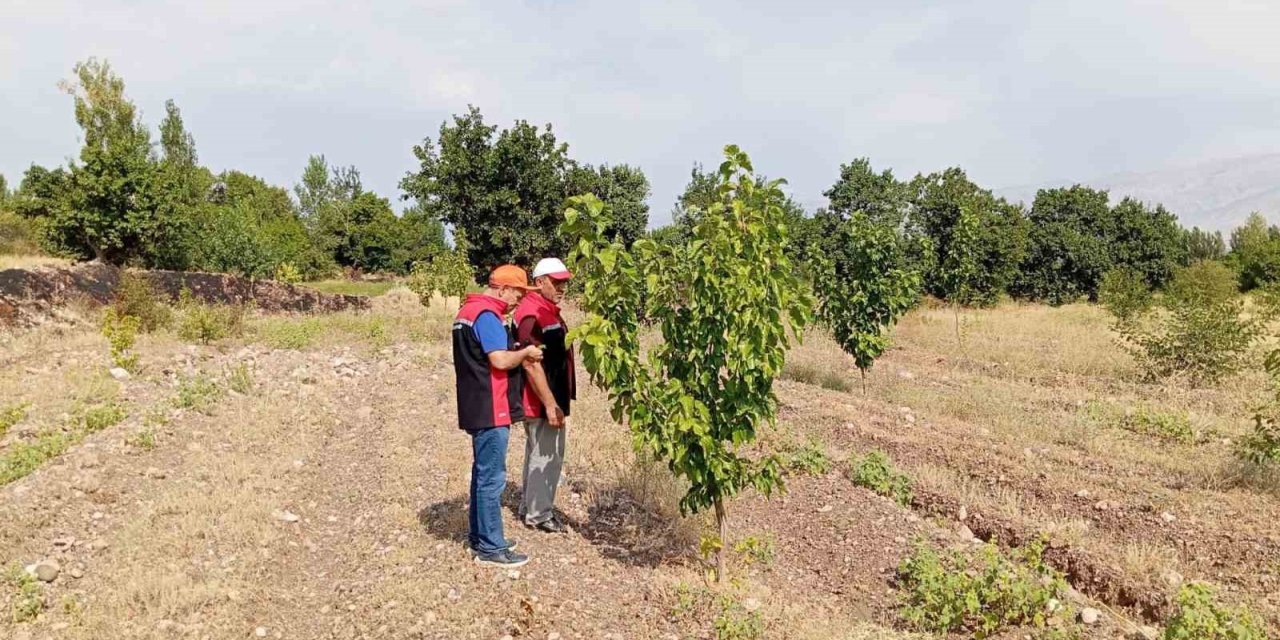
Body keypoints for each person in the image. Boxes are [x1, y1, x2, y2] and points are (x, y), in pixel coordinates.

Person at [453, 264, 542, 568]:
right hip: (493, 406)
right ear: (502, 289)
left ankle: (480, 537)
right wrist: (526, 353)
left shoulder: (467, 311)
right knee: (492, 478)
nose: (519, 299)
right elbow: (500, 360)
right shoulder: (488, 316)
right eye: (518, 292)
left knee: (481, 474)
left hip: (474, 403)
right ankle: (491, 548)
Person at [515, 257, 577, 533]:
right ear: (540, 283)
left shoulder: (544, 308)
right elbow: (530, 362)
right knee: (547, 455)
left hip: (549, 395)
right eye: (556, 281)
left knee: (537, 451)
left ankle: (530, 507)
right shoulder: (532, 313)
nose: (562, 286)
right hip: (541, 398)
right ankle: (539, 515)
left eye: (564, 281)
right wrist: (551, 404)